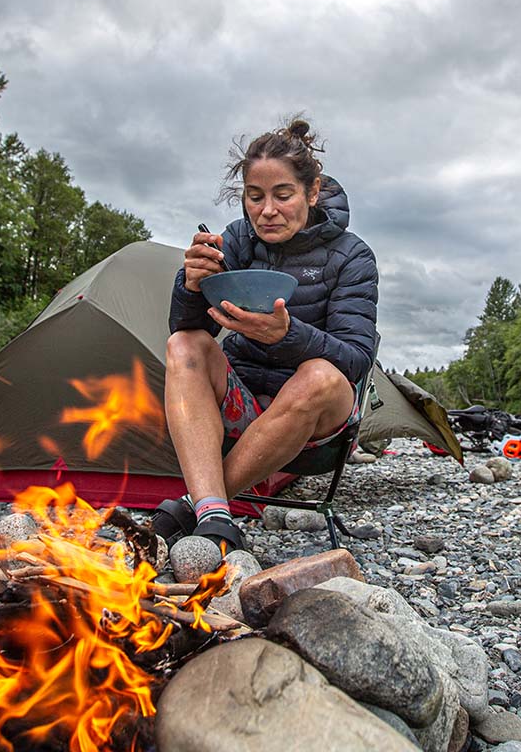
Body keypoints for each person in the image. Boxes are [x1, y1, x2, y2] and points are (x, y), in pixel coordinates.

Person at [154, 117, 379, 555]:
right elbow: (194, 329)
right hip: (246, 407)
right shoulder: (238, 239)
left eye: (283, 195)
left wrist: (287, 334)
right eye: (255, 197)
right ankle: (215, 513)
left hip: (317, 420)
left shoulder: (353, 256)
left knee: (320, 374)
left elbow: (355, 359)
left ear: (312, 193)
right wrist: (192, 285)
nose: (267, 211)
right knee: (184, 344)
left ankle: (195, 503)